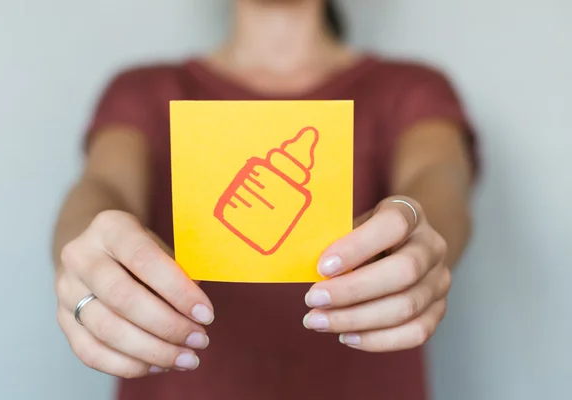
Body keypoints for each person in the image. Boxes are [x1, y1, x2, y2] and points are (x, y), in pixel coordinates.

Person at [52, 0, 478, 399]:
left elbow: (440, 179)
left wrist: (421, 230)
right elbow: (103, 185)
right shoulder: (142, 90)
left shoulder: (411, 87)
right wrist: (87, 251)